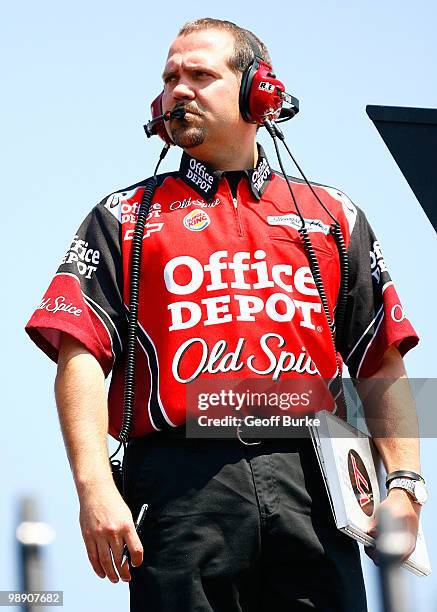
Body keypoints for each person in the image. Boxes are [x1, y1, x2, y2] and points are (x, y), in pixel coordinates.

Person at [26, 18, 425, 612]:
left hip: (315, 485)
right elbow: (78, 355)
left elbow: (381, 358)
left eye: (200, 75)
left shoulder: (334, 214)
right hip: (178, 490)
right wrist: (93, 490)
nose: (178, 90)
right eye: (169, 78)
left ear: (258, 90)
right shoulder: (121, 217)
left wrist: (405, 488)